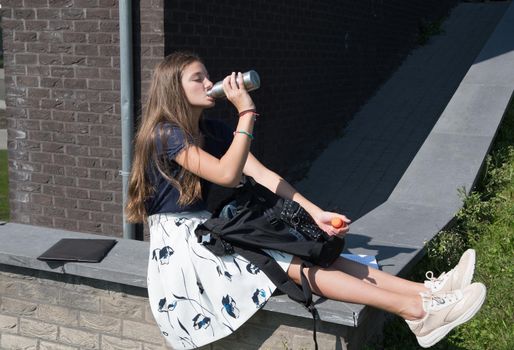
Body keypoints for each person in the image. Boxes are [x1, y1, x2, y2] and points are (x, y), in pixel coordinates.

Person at [126, 51, 486, 350]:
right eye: (198, 78)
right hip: (183, 248)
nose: (210, 84)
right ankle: (416, 312)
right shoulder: (164, 135)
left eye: (208, 76)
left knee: (316, 248)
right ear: (174, 88)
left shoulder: (214, 131)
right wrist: (246, 114)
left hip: (208, 229)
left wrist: (317, 213)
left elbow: (264, 175)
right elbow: (226, 175)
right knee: (286, 260)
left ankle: (427, 292)